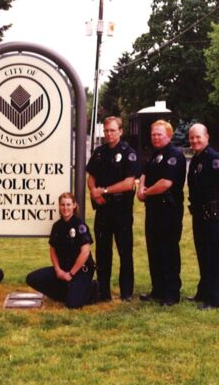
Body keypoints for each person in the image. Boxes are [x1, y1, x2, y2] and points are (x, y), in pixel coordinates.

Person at [86, 116, 140, 302]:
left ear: (120, 131)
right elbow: (91, 176)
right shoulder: (99, 152)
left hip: (121, 210)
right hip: (102, 210)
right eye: (106, 130)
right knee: (102, 252)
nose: (109, 133)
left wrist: (105, 191)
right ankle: (104, 292)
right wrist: (94, 192)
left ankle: (126, 293)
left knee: (124, 252)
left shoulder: (128, 153)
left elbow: (128, 183)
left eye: (112, 130)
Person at [137, 119, 186, 306]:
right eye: (153, 134)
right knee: (154, 250)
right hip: (153, 211)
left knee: (168, 251)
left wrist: (146, 193)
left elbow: (166, 183)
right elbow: (144, 175)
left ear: (169, 135)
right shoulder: (153, 155)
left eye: (159, 134)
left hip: (169, 211)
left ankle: (172, 293)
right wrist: (141, 189)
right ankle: (157, 290)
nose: (155, 137)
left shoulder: (175, 156)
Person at [187, 123, 219, 310]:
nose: (194, 141)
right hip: (199, 213)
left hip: (214, 214)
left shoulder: (215, 159)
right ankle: (203, 293)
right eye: (191, 137)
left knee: (214, 256)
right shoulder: (197, 159)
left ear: (206, 137)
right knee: (203, 254)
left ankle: (215, 300)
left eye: (198, 137)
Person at [26, 192, 96, 308]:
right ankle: (68, 292)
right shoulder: (57, 226)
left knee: (72, 305)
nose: (65, 208)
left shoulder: (80, 225)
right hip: (63, 269)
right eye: (62, 205)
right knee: (32, 278)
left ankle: (92, 289)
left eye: (68, 204)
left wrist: (71, 274)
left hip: (80, 271)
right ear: (59, 206)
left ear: (74, 205)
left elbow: (85, 252)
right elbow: (52, 250)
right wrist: (58, 271)